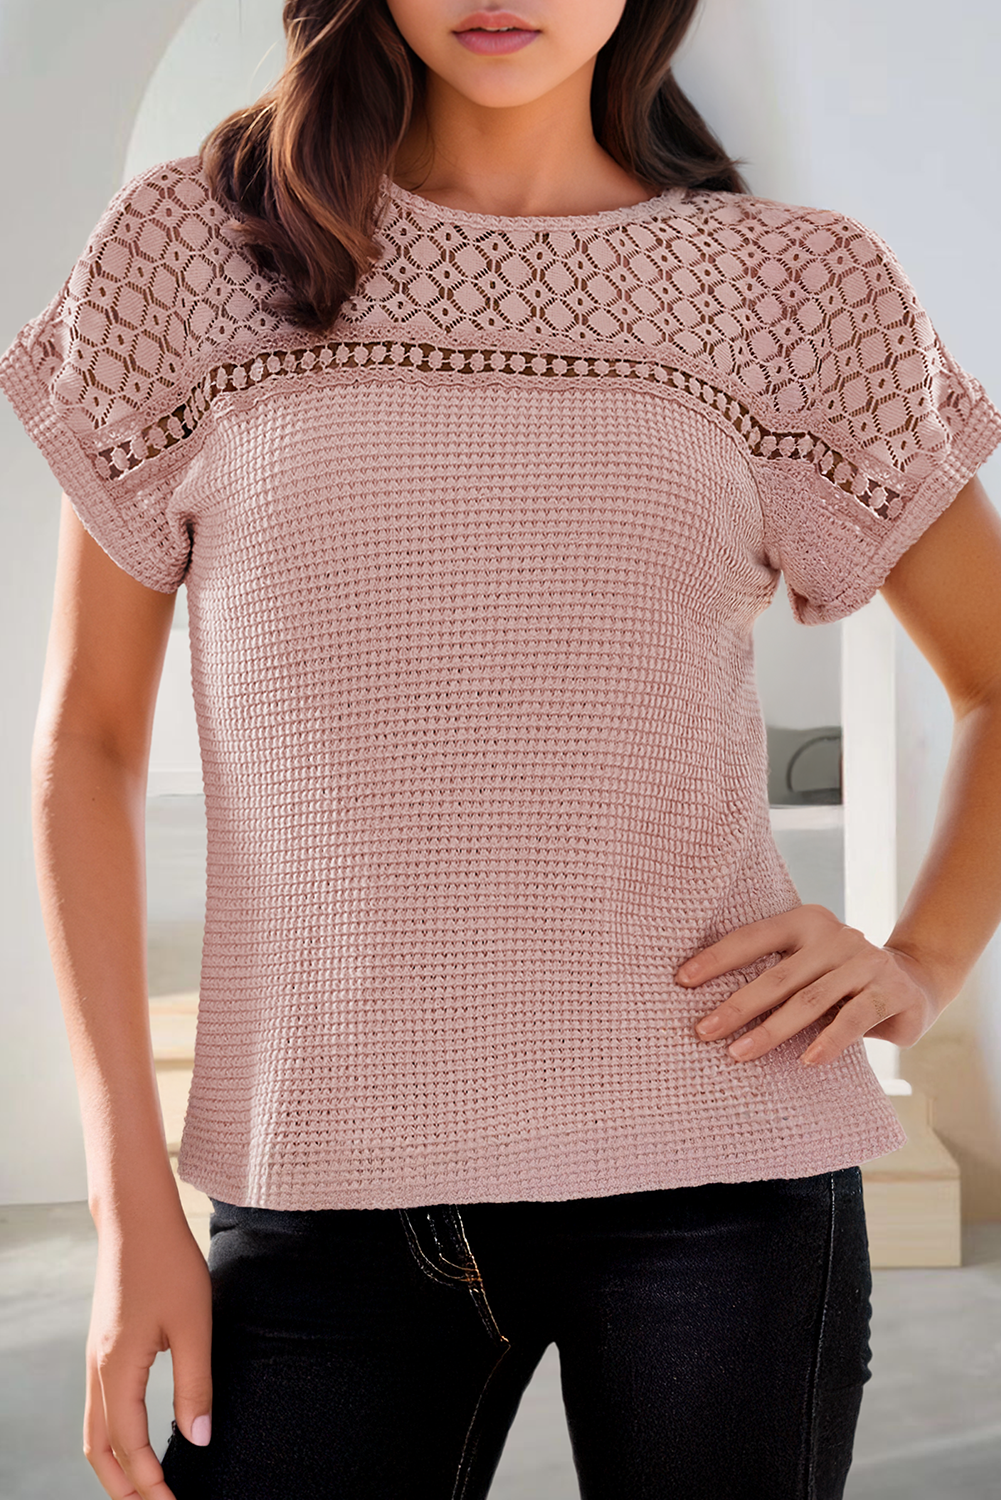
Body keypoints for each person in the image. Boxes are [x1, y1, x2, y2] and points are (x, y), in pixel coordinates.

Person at [3, 1, 1001, 1496]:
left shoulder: (797, 290)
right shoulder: (191, 254)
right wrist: (127, 1195)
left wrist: (923, 958)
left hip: (723, 1179)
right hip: (322, 1182)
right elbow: (87, 739)